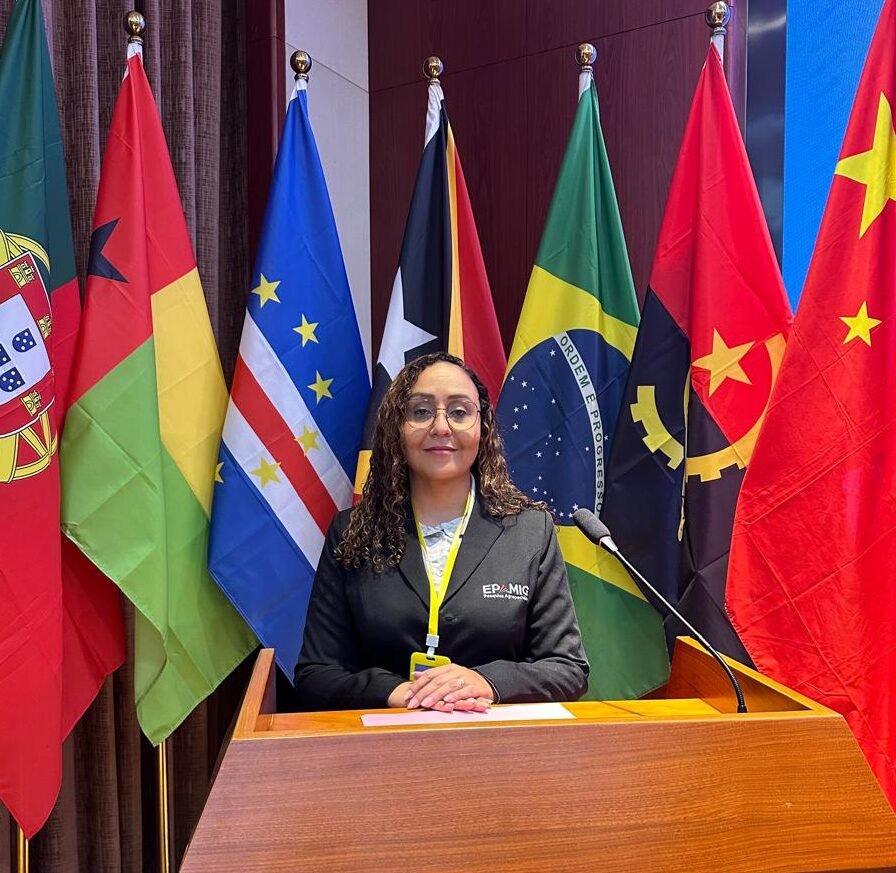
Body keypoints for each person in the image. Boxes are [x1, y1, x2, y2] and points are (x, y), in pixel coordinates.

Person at [293, 351, 589, 712]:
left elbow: (567, 669)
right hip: (387, 738)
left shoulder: (530, 530)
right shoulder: (351, 531)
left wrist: (487, 682)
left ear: (483, 428)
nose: (441, 427)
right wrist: (398, 692)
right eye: (420, 412)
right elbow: (316, 675)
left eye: (459, 412)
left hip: (496, 740)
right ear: (396, 429)